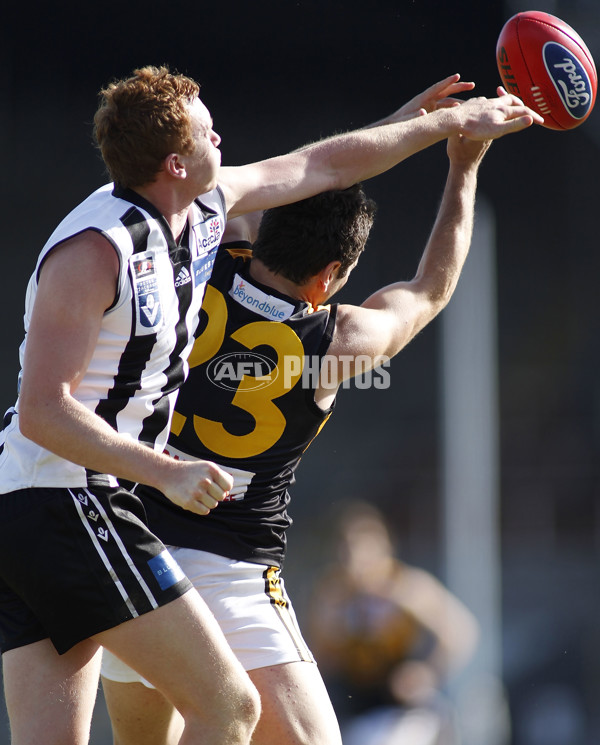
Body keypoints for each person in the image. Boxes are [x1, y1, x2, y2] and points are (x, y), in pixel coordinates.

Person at [0, 65, 540, 745]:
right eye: (206, 131)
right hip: (140, 529)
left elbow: (315, 168)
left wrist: (425, 124)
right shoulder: (333, 336)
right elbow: (425, 286)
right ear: (332, 277)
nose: (220, 137)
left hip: (115, 522)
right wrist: (460, 160)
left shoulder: (210, 239)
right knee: (244, 717)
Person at [308, 501, 479, 745]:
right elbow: (318, 656)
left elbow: (460, 632)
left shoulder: (406, 588)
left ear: (384, 547)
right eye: (346, 548)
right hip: (356, 700)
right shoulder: (332, 596)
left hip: (404, 703)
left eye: (362, 548)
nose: (354, 558)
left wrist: (427, 672)